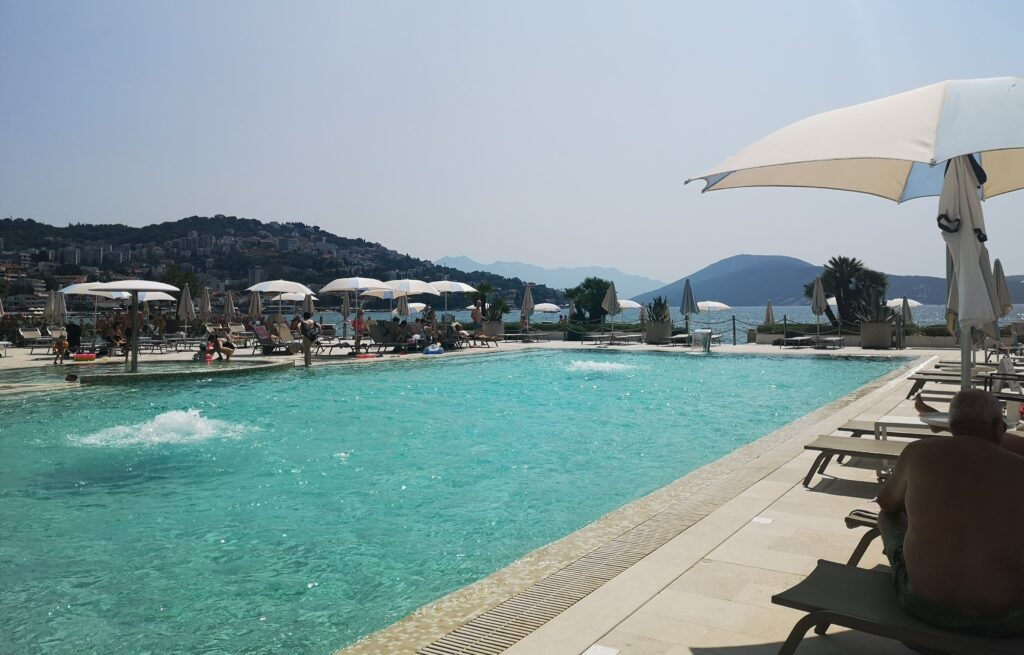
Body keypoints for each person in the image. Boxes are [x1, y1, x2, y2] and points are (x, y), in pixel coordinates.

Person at [876, 390, 1024, 636]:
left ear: (951, 425)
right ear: (1000, 427)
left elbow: (886, 503)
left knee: (887, 516)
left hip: (920, 603)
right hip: (1004, 618)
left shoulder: (917, 452)